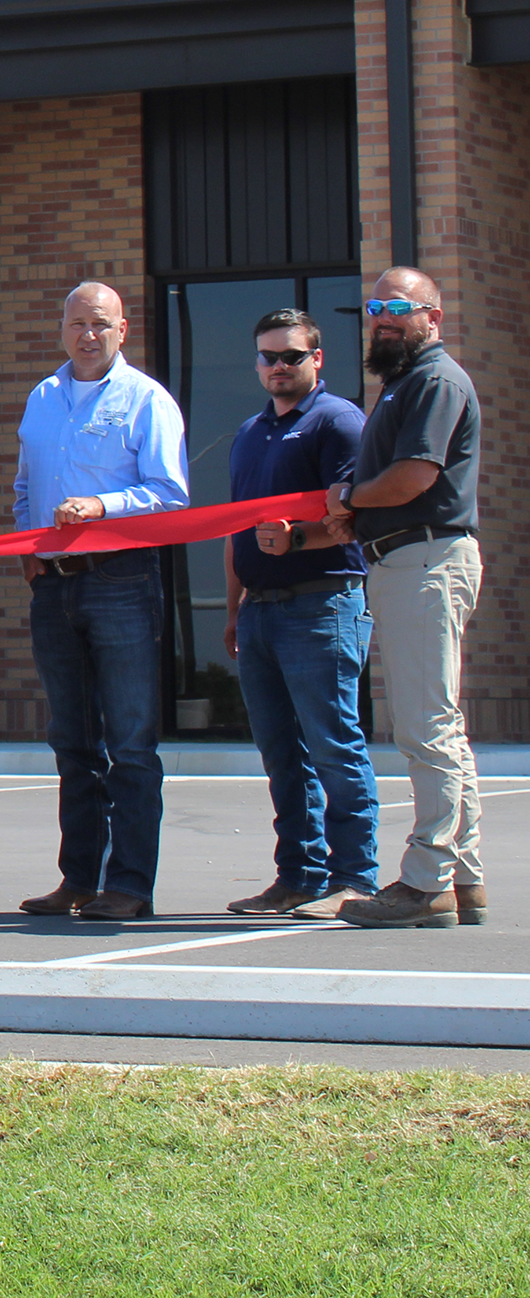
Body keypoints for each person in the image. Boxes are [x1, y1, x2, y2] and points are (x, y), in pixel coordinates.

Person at [13, 282, 190, 923]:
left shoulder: (146, 399)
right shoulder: (43, 396)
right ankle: (78, 880)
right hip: (53, 584)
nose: (88, 335)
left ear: (123, 329)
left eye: (100, 324)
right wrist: (29, 550)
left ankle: (130, 885)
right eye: (76, 324)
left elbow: (171, 496)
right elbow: (26, 482)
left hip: (120, 580)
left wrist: (102, 507)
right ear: (61, 329)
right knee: (72, 741)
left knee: (131, 744)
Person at [324, 266, 488, 930]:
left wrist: (349, 498)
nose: (384, 317)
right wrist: (349, 518)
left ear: (433, 317)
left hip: (427, 558)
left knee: (426, 729)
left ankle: (426, 884)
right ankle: (465, 878)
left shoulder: (435, 381)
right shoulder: (403, 386)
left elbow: (414, 477)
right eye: (374, 307)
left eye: (399, 306)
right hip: (405, 558)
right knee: (440, 726)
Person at [220, 307, 375, 920]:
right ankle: (299, 875)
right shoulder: (249, 432)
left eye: (291, 356)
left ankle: (355, 877)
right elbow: (236, 530)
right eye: (268, 357)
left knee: (334, 745)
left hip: (322, 603)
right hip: (259, 613)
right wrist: (233, 610)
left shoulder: (338, 422)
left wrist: (299, 540)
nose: (278, 367)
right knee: (281, 752)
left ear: (317, 360)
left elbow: (353, 516)